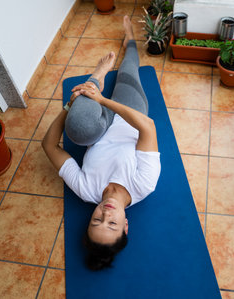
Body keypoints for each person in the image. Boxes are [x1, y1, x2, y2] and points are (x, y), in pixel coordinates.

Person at [42, 15, 161, 270]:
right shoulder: (144, 185)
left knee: (78, 129)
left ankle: (97, 76)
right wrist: (103, 101)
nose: (106, 213)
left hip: (96, 126)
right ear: (126, 226)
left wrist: (69, 105)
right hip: (131, 114)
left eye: (97, 221)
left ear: (89, 220)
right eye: (113, 224)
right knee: (129, 69)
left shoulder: (86, 190)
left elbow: (49, 146)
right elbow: (147, 127)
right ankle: (129, 38)